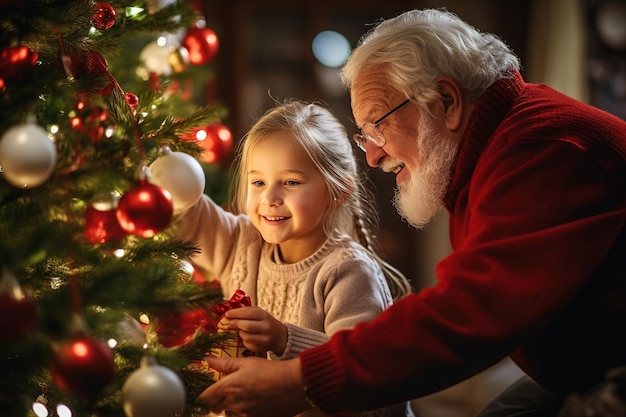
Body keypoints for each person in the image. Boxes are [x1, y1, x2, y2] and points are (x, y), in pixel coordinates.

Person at [197, 7, 626, 417]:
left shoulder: (543, 152)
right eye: (365, 136)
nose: (372, 156)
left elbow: (469, 311)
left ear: (446, 101)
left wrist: (299, 378)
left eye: (377, 126)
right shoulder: (496, 150)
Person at [176, 99, 414, 417]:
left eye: (290, 182)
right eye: (258, 182)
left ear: (339, 189)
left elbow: (364, 382)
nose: (270, 199)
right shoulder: (242, 242)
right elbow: (181, 206)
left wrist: (285, 338)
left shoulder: (349, 272)